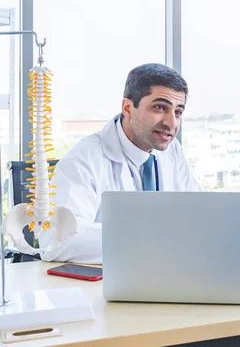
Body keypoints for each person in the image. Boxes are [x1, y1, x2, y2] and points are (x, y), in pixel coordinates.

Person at [40, 63, 201, 263]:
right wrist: (150, 240)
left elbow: (197, 214)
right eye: (160, 108)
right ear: (127, 108)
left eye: (178, 112)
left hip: (166, 271)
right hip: (105, 283)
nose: (172, 123)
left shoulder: (172, 151)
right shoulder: (84, 159)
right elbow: (56, 240)